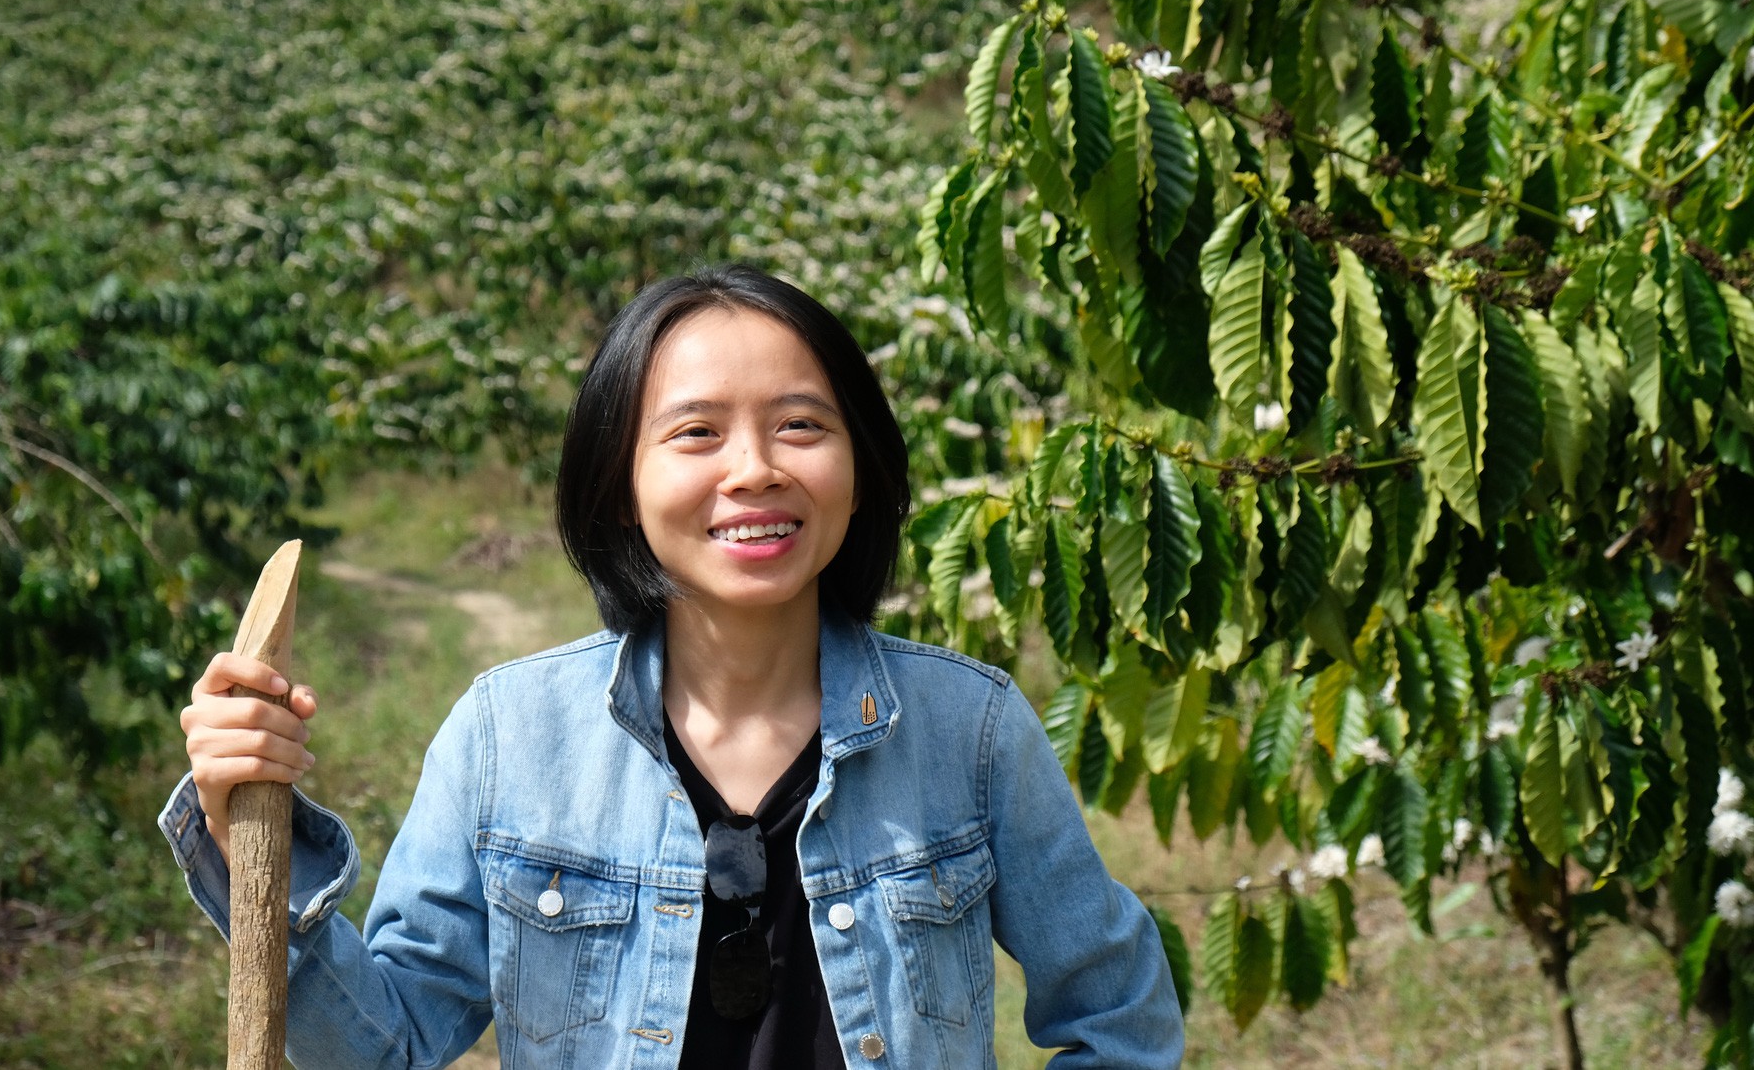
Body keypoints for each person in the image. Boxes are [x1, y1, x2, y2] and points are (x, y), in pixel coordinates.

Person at [162, 264, 1184, 1068]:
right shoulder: (507, 737)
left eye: (799, 425)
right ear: (618, 483)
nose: (754, 469)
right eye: (695, 432)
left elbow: (1115, 1012)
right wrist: (248, 836)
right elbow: (383, 1044)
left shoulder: (968, 731)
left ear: (859, 467)